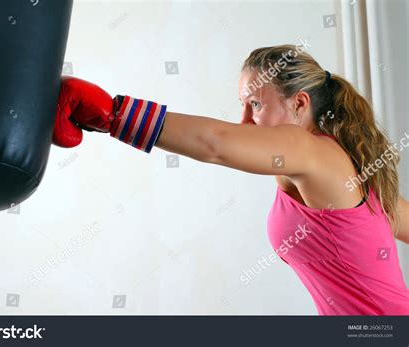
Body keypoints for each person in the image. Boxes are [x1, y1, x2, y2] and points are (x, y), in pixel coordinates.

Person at [52, 44, 409, 315]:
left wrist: (114, 115)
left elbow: (216, 143)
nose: (245, 120)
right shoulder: (349, 171)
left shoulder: (308, 150)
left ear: (300, 104)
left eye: (255, 104)